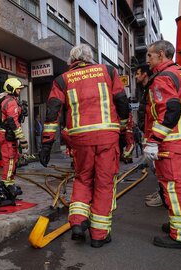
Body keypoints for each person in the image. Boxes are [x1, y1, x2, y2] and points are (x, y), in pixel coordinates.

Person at [39, 44, 129, 248]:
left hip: (80, 139)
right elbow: (122, 103)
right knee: (104, 183)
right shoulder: (109, 71)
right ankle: (98, 235)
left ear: (72, 61)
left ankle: (78, 222)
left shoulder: (62, 80)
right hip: (107, 136)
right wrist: (123, 133)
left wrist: (46, 144)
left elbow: (53, 112)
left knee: (83, 179)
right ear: (90, 58)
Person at [144, 40, 181, 250]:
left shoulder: (163, 77)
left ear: (160, 55)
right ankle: (179, 225)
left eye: (150, 55)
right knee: (178, 186)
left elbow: (170, 110)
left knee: (174, 188)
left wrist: (154, 141)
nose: (147, 60)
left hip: (170, 141)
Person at [135, 64, 163, 207]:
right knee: (155, 168)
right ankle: (161, 192)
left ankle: (163, 196)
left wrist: (154, 137)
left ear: (145, 74)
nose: (135, 76)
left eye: (138, 73)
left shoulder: (153, 87)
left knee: (160, 168)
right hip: (148, 132)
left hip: (154, 133)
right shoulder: (146, 90)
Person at [0, 78, 28, 187]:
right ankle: (7, 186)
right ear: (12, 89)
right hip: (8, 134)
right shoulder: (11, 102)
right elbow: (12, 121)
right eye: (18, 89)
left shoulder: (7, 100)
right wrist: (22, 138)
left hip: (6, 134)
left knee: (12, 159)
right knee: (10, 161)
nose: (19, 91)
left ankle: (10, 184)